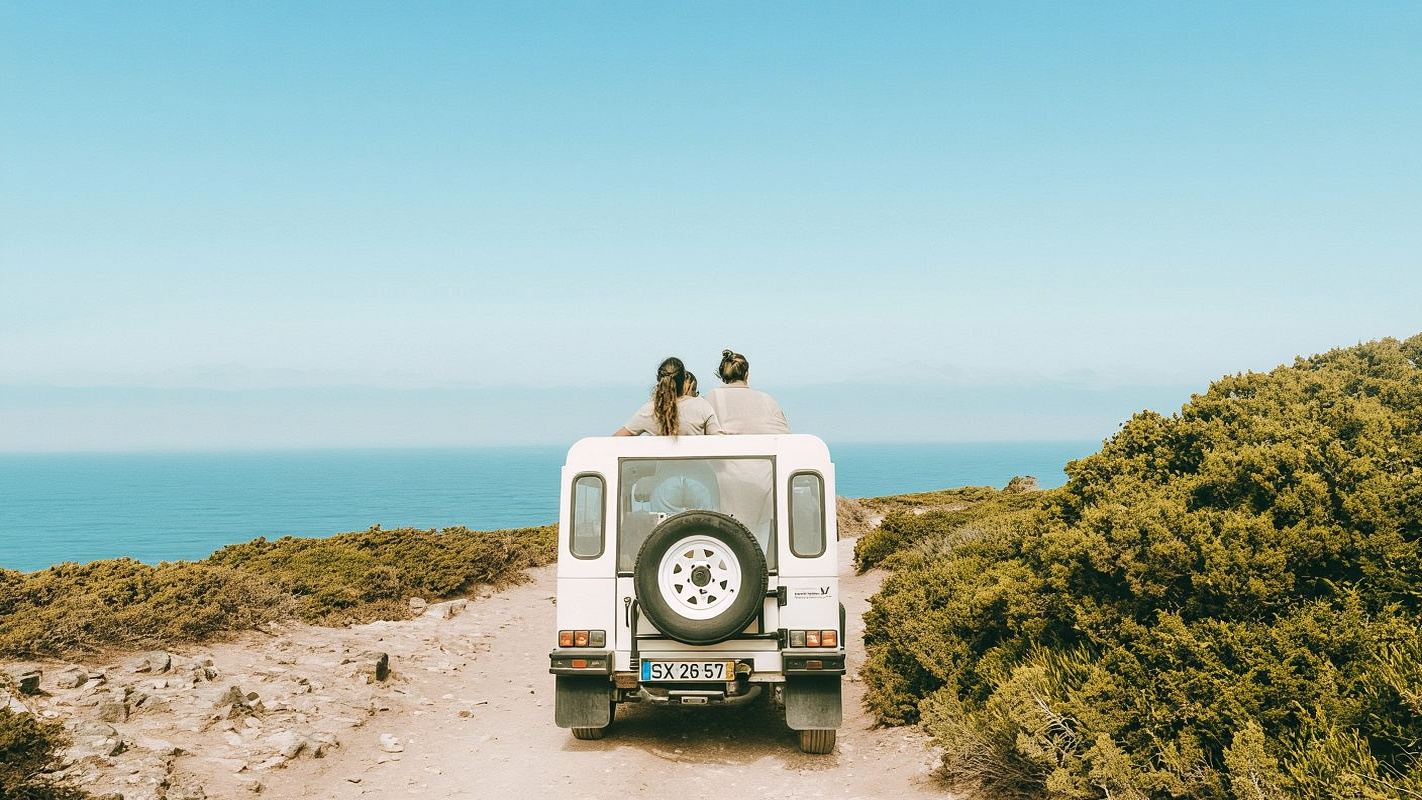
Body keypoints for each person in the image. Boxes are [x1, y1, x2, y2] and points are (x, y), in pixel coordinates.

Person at [613, 357, 722, 436]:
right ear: (684, 380)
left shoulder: (649, 410)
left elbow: (617, 438)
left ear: (659, 380)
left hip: (663, 468)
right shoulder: (701, 406)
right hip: (697, 468)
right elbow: (719, 441)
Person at [704, 349, 789, 434]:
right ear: (746, 375)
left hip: (728, 446)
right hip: (769, 445)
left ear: (722, 376)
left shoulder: (712, 397)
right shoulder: (767, 399)